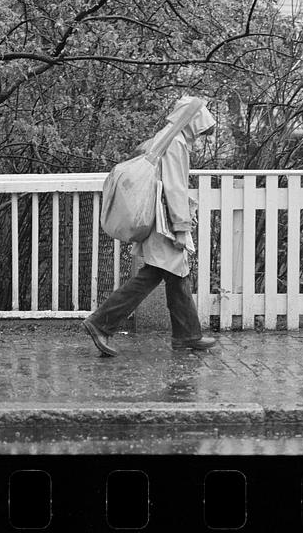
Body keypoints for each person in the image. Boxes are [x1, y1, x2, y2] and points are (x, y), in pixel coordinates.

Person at [83, 96, 218, 357]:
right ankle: (100, 323)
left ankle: (187, 335)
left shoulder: (165, 136)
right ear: (193, 121)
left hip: (157, 220)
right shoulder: (176, 143)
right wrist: (181, 228)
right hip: (165, 224)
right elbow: (174, 188)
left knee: (174, 276)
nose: (201, 134)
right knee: (154, 277)